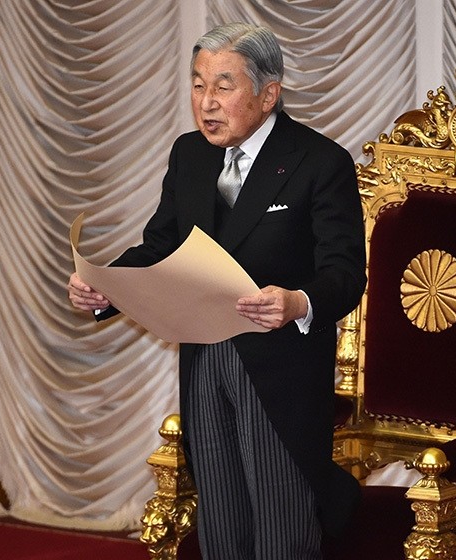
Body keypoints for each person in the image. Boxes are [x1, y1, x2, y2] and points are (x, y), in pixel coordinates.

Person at [68, 22, 366, 560]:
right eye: (198, 84)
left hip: (279, 373)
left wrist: (296, 302)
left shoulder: (320, 162)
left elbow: (345, 273)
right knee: (222, 523)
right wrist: (108, 286)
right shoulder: (191, 155)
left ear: (268, 94)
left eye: (223, 87)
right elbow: (162, 246)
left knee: (282, 532)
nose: (206, 102)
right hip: (204, 358)